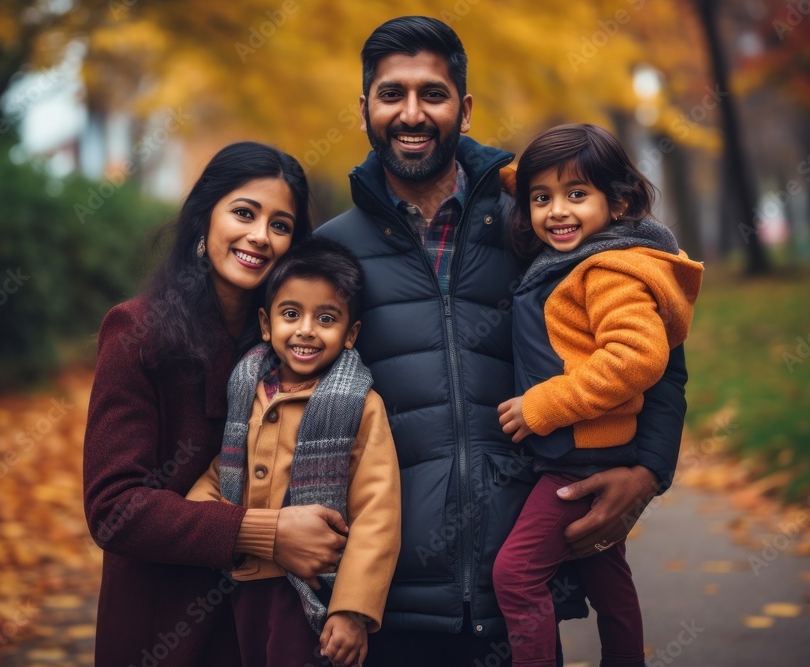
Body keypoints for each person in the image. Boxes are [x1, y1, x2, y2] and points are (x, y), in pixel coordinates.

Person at [315, 16, 690, 666]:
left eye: (431, 93)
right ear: (364, 109)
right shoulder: (330, 252)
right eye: (391, 93)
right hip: (387, 596)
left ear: (463, 109)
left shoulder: (538, 226)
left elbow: (655, 351)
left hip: (519, 581)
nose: (411, 112)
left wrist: (648, 470)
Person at [83, 142, 351, 665]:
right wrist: (266, 533)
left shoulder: (299, 348)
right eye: (244, 213)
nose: (259, 236)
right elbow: (113, 508)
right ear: (205, 217)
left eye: (281, 225)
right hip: (163, 628)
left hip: (271, 628)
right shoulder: (137, 333)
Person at [493, 124, 703, 667]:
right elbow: (541, 184)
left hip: (579, 457)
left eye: (576, 195)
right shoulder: (581, 256)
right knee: (606, 575)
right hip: (594, 451)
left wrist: (543, 405)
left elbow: (637, 357)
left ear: (620, 201)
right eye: (541, 199)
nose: (557, 211)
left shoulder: (607, 270)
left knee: (515, 575)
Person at [185, 238, 401, 667]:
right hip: (245, 583)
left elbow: (378, 512)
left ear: (351, 334)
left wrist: (351, 609)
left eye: (326, 318)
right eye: (291, 314)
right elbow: (228, 466)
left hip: (311, 590)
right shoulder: (249, 389)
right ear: (266, 325)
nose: (305, 329)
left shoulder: (358, 403)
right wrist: (201, 521)